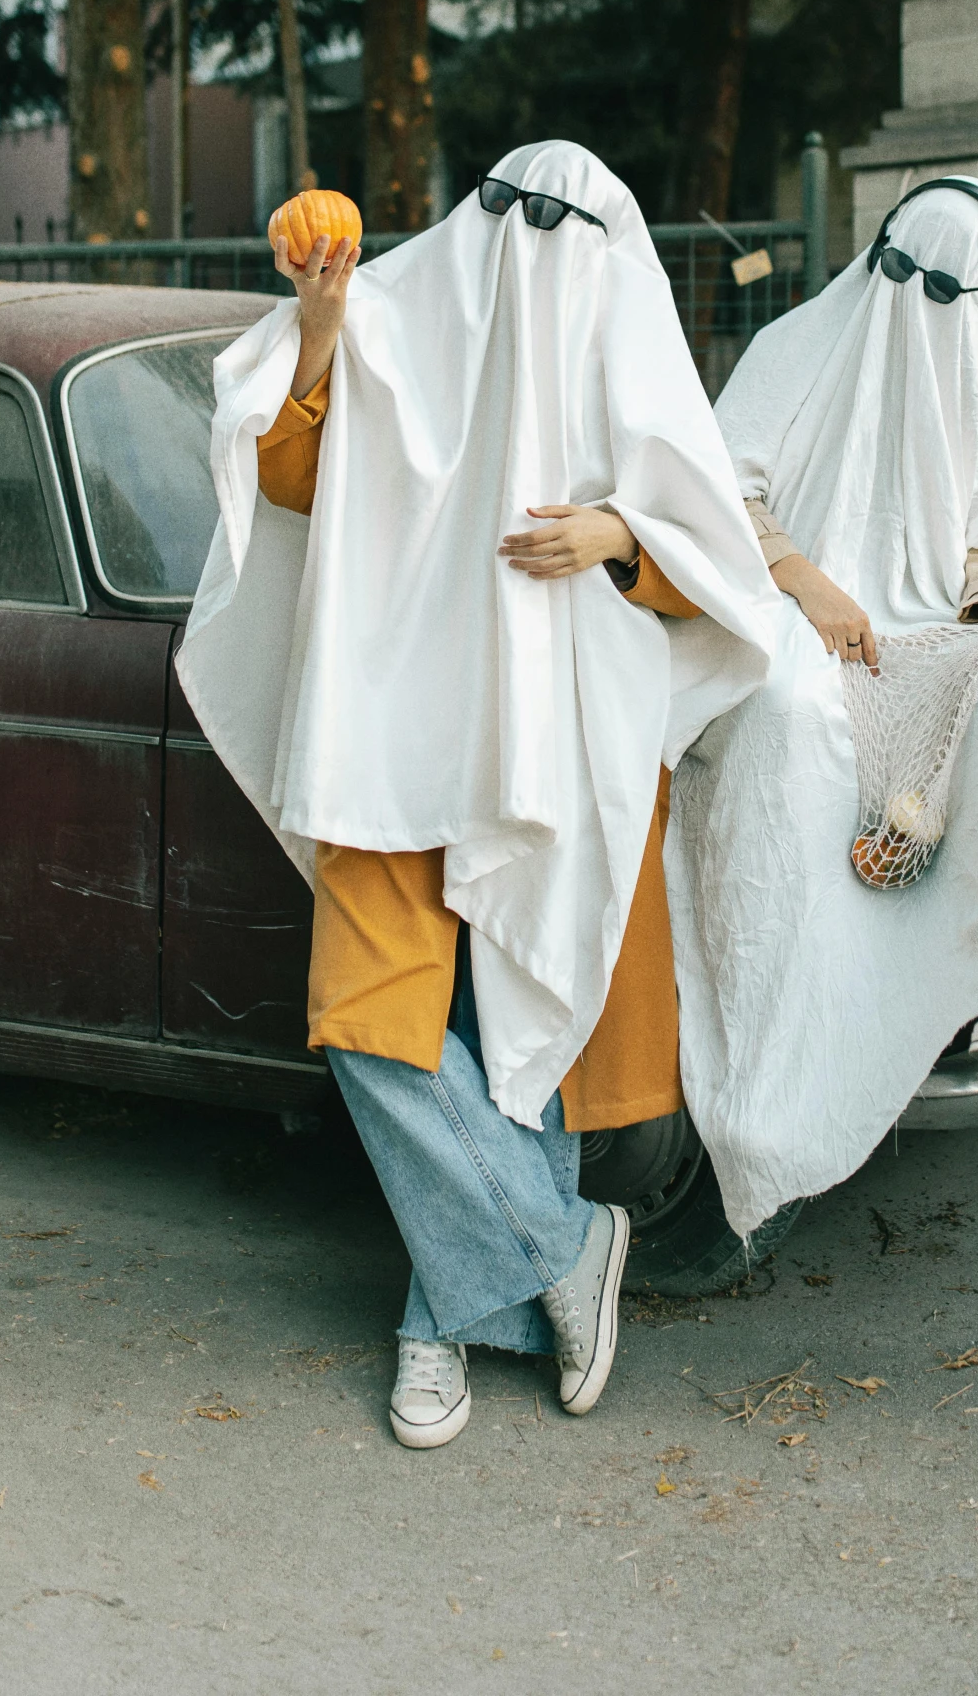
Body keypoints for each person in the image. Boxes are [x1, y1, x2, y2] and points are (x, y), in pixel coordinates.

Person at [176, 141, 775, 1446]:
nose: (530, 246)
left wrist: (617, 533)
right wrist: (321, 326)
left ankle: (435, 1330)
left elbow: (721, 555)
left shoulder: (628, 340)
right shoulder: (396, 315)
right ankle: (565, 1249)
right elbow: (286, 477)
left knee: (525, 1049)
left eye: (557, 225)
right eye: (510, 214)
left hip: (553, 746)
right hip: (390, 732)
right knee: (370, 1026)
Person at [666, 175, 978, 1257]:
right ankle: (779, 1068)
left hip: (936, 628)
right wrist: (807, 580)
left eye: (940, 286)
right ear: (873, 256)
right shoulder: (800, 343)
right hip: (799, 622)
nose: (911, 300)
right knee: (789, 715)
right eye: (898, 272)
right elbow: (710, 492)